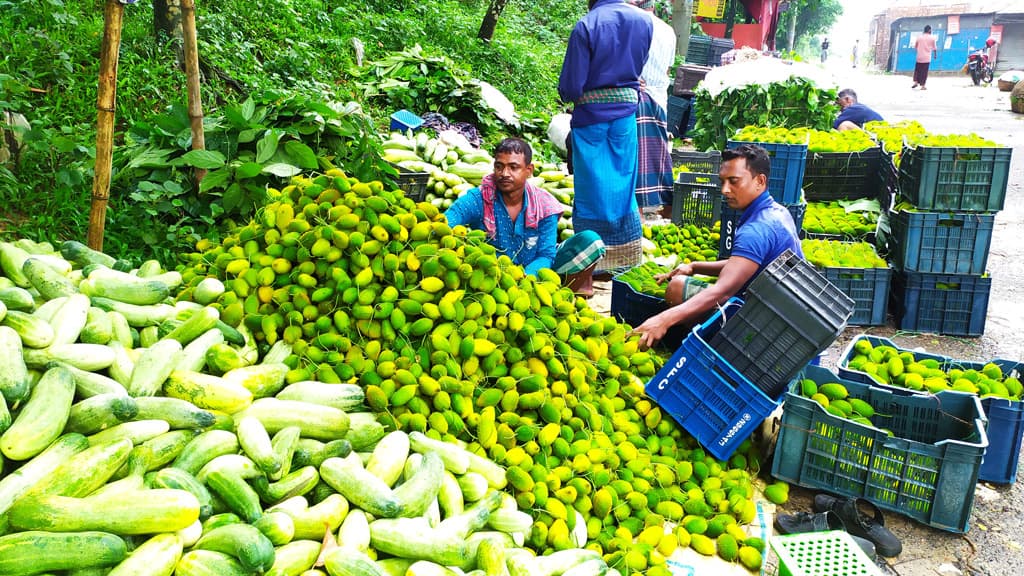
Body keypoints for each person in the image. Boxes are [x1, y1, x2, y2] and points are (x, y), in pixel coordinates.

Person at [630, 144, 803, 349]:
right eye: (722, 182)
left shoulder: (755, 231)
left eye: (734, 181)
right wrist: (695, 266)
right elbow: (746, 264)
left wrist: (664, 319)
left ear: (760, 181)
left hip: (761, 329)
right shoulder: (777, 212)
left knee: (677, 288)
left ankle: (707, 350)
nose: (725, 190)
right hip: (785, 316)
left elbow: (723, 292)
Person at [558, 0, 652, 279]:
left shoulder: (586, 25)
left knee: (591, 191)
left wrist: (569, 96)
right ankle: (624, 258)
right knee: (622, 188)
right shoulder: (644, 21)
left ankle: (591, 262)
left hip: (591, 119)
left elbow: (571, 86)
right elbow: (638, 66)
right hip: (625, 117)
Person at [444, 138, 606, 296]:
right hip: (490, 276)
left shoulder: (544, 205)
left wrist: (524, 279)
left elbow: (546, 255)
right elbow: (449, 219)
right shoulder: (480, 197)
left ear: (529, 170)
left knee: (591, 241)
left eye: (513, 167)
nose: (504, 174)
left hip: (533, 273)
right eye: (499, 167)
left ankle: (566, 295)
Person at [630, 0, 675, 217]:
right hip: (658, 99)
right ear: (654, 7)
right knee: (658, 158)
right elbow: (667, 70)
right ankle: (664, 209)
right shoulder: (668, 31)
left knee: (636, 159)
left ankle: (637, 212)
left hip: (637, 97)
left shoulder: (632, 24)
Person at [912, 25, 938, 90]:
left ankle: (916, 82)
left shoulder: (919, 37)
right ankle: (923, 86)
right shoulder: (932, 38)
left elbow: (915, 46)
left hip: (919, 57)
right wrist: (935, 55)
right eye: (931, 30)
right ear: (929, 30)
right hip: (926, 58)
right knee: (924, 72)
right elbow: (935, 48)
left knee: (917, 70)